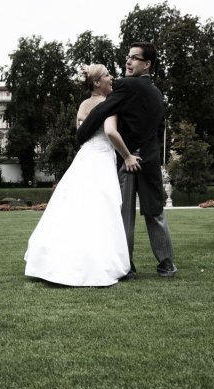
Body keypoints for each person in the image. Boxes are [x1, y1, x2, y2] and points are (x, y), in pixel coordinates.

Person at [24, 64, 139, 287]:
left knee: (74, 207)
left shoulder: (83, 105)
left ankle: (57, 261)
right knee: (101, 209)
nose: (111, 77)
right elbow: (110, 132)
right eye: (107, 75)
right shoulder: (109, 103)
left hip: (85, 157)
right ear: (96, 82)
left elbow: (81, 135)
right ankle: (95, 263)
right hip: (101, 158)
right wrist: (127, 156)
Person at [77, 42, 177, 279]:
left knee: (125, 214)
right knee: (155, 211)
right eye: (128, 57)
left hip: (128, 159)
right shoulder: (157, 93)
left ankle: (127, 266)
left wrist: (81, 135)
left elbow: (101, 111)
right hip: (150, 158)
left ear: (147, 64)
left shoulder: (126, 85)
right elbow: (159, 129)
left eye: (134, 58)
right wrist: (155, 156)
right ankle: (166, 263)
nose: (128, 61)